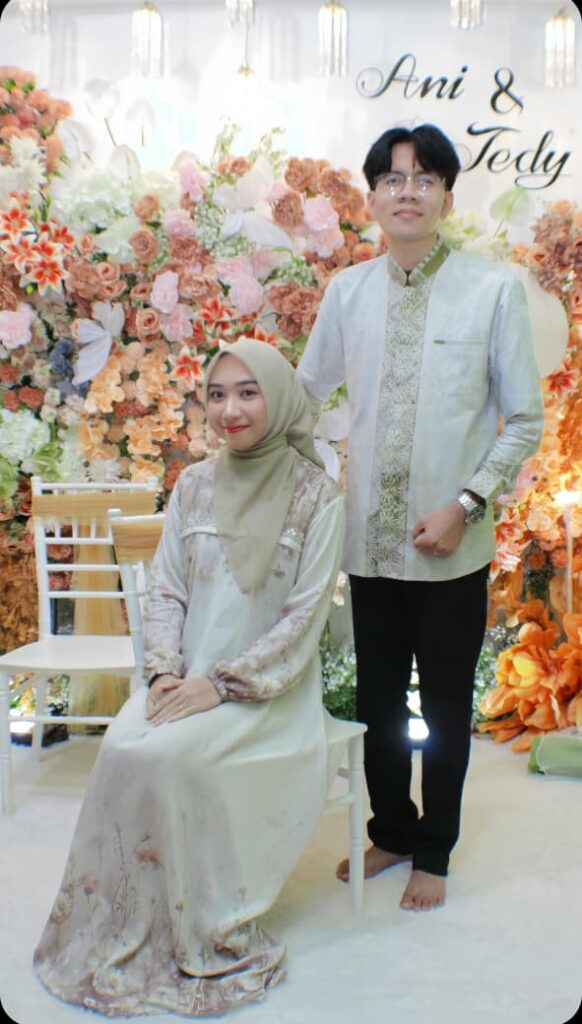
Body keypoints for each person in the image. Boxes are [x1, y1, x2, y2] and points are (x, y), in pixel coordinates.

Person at [33, 337, 345, 1017]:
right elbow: (167, 592)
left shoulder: (317, 496)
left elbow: (303, 618)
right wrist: (164, 672)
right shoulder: (195, 484)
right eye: (217, 394)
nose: (230, 410)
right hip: (184, 680)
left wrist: (221, 685)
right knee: (123, 747)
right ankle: (119, 923)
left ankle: (196, 924)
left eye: (248, 392)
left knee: (169, 760)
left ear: (278, 396)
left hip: (266, 693)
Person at [297, 123, 543, 912]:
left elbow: (525, 420)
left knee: (440, 706)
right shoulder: (347, 293)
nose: (408, 192)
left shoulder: (492, 289)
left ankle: (434, 850)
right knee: (375, 704)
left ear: (447, 197)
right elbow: (305, 397)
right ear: (371, 197)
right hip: (369, 544)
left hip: (452, 547)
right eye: (393, 179)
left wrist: (466, 504)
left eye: (424, 178)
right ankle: (392, 832)